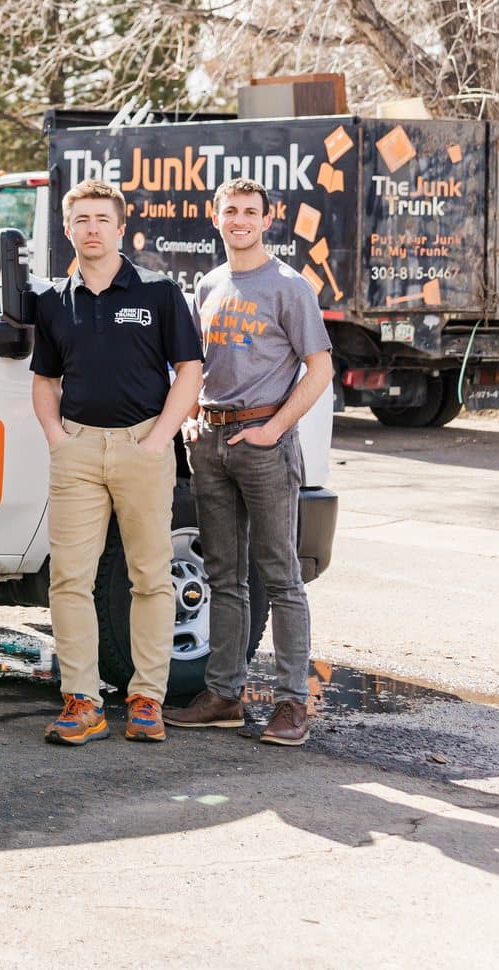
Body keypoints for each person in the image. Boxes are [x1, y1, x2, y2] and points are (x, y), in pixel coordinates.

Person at [29, 177, 202, 746]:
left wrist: (158, 442)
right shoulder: (55, 300)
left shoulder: (158, 292)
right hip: (76, 451)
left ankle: (146, 700)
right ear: (66, 229)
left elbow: (190, 373)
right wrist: (58, 438)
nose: (92, 229)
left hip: (142, 447)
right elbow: (44, 380)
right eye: (81, 221)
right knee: (69, 579)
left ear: (121, 227)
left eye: (102, 220)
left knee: (150, 577)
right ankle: (83, 701)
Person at [165, 179, 334, 746]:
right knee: (223, 577)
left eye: (249, 212)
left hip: (264, 443)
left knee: (281, 576)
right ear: (216, 218)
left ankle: (291, 706)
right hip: (209, 444)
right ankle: (223, 695)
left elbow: (320, 369)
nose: (239, 220)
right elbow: (197, 366)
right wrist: (190, 417)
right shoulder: (208, 284)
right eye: (230, 211)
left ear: (268, 219)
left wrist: (274, 430)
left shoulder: (289, 287)